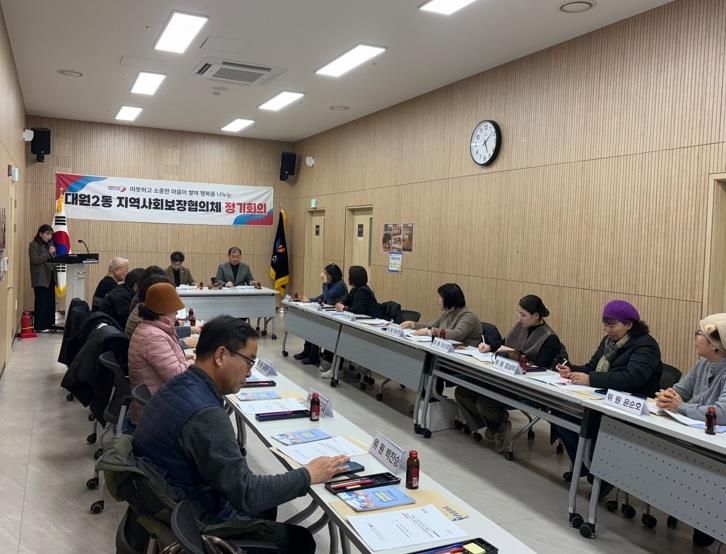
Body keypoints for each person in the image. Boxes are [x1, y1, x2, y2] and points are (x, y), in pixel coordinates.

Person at [132, 316, 349, 553]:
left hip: (175, 503)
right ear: (220, 355)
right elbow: (246, 493)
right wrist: (308, 474)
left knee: (268, 506)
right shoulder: (206, 414)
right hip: (202, 522)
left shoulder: (177, 385)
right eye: (248, 361)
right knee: (301, 539)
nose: (250, 371)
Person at [554, 300, 662, 481]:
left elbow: (632, 378)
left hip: (632, 406)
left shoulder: (646, 345)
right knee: (561, 411)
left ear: (629, 325)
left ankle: (601, 472)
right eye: (605, 325)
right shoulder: (609, 341)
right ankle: (585, 463)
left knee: (594, 422)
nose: (607, 330)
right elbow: (591, 367)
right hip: (604, 399)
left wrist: (591, 379)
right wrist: (572, 370)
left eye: (612, 325)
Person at [454, 295, 561, 452]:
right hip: (504, 377)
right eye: (518, 313)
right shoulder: (520, 326)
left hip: (525, 386)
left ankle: (498, 427)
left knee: (486, 399)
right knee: (462, 391)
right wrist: (489, 347)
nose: (519, 318)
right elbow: (505, 343)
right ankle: (491, 426)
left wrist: (516, 355)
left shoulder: (549, 338)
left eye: (523, 315)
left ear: (536, 316)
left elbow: (540, 367)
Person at [128, 283, 194, 426]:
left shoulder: (149, 328)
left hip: (157, 401)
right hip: (158, 412)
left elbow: (167, 364)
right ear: (164, 311)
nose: (176, 315)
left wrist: (186, 359)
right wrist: (198, 362)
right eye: (175, 312)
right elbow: (176, 376)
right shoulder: (154, 337)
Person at [656, 313, 726, 423]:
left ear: (714, 344)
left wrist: (681, 406)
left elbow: (722, 414)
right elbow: (680, 391)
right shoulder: (702, 364)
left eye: (700, 333)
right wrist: (666, 398)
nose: (696, 337)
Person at [126, 273, 200, 351]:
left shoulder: (145, 308)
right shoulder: (147, 320)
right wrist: (185, 343)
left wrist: (189, 330)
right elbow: (160, 340)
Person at [294, 263, 347, 366]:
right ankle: (307, 351)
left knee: (316, 327)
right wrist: (310, 300)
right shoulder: (332, 284)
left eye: (326, 274)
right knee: (311, 324)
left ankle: (313, 356)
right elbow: (323, 296)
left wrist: (324, 282)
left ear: (332, 275)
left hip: (336, 317)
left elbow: (327, 296)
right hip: (329, 314)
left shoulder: (340, 285)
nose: (324, 275)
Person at [400, 283, 481, 346]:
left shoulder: (468, 316)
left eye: (440, 297)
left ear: (450, 299)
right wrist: (413, 324)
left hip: (464, 358)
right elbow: (430, 326)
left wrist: (430, 332)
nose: (438, 300)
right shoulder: (447, 313)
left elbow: (456, 335)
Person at [28, 224, 56, 332]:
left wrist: (53, 253)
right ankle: (40, 326)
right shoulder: (34, 245)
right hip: (40, 277)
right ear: (40, 234)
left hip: (50, 276)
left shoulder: (49, 245)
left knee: (50, 301)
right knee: (41, 302)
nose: (49, 237)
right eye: (47, 234)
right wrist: (49, 254)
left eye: (51, 235)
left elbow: (53, 258)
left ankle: (50, 324)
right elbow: (35, 260)